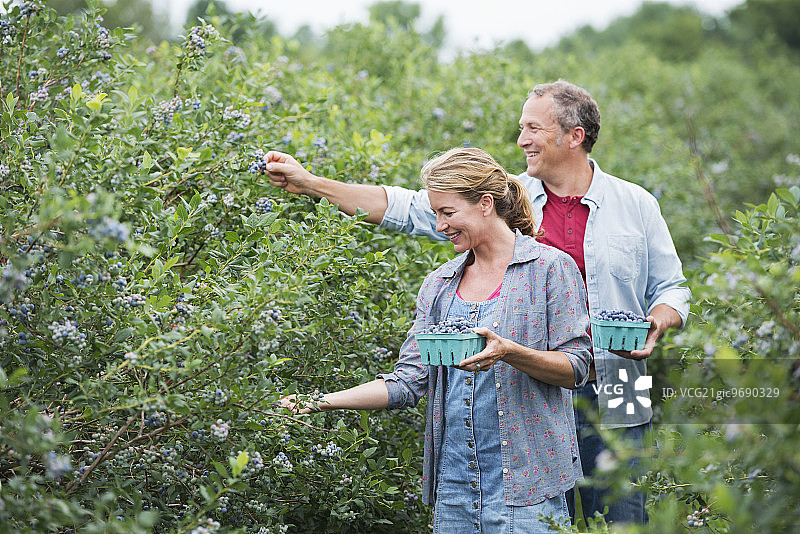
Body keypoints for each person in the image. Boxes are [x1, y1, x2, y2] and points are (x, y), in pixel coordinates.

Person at [265, 80, 691, 525]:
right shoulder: (502, 199)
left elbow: (672, 287)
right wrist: (311, 183)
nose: (521, 139)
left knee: (624, 515)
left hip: (619, 375)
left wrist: (658, 322)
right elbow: (404, 207)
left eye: (533, 128)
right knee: (544, 505)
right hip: (529, 386)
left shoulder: (635, 203)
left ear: (574, 135)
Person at [281, 147, 593, 533]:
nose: (441, 225)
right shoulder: (440, 284)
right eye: (435, 214)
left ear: (485, 203)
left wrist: (509, 352)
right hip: (456, 488)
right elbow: (407, 382)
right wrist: (315, 402)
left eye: (448, 213)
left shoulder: (549, 269)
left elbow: (577, 368)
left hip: (528, 487)